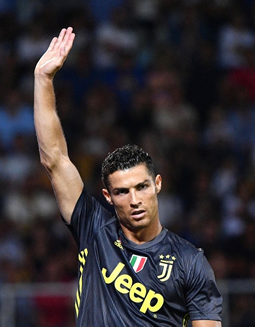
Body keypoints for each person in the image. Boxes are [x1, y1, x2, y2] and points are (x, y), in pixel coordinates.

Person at [34, 27, 223, 326]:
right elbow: (54, 160)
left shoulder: (190, 262)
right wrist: (43, 80)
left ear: (157, 184)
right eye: (122, 192)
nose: (135, 200)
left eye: (142, 187)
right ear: (108, 196)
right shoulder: (93, 228)